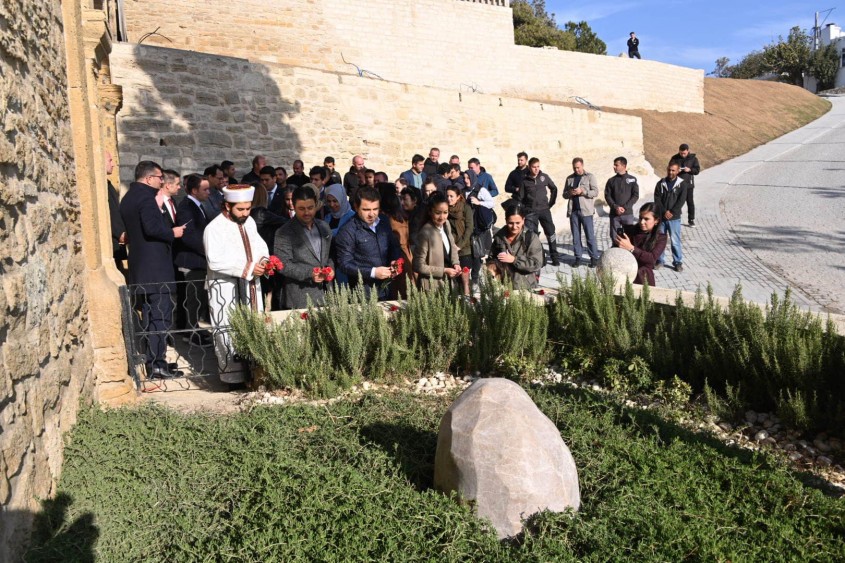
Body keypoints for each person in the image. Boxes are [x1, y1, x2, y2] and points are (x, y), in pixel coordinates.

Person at [119, 161, 186, 379]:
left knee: (151, 316)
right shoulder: (146, 198)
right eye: (159, 177)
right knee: (160, 317)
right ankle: (157, 364)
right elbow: (152, 228)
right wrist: (172, 232)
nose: (161, 181)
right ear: (148, 178)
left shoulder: (129, 197)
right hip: (155, 268)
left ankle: (155, 361)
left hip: (142, 266)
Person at [204, 184, 269, 384]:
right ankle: (232, 379)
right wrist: (248, 268)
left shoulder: (249, 222)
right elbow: (214, 259)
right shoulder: (213, 228)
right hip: (225, 289)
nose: (245, 213)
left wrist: (263, 262)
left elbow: (261, 246)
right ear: (226, 206)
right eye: (240, 209)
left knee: (253, 326)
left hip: (250, 286)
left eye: (248, 208)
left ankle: (255, 374)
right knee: (227, 330)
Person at [334, 186, 403, 299]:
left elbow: (394, 246)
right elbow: (344, 264)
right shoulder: (348, 231)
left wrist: (395, 261)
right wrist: (373, 272)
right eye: (366, 210)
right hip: (362, 294)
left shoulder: (384, 221)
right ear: (356, 207)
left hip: (387, 288)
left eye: (375, 209)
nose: (372, 214)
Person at [274, 186, 334, 310]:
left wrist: (331, 269)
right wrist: (309, 274)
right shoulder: (284, 232)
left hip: (327, 295)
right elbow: (283, 264)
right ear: (293, 206)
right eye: (301, 209)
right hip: (300, 298)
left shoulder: (324, 227)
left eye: (310, 208)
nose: (307, 212)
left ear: (316, 205)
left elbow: (329, 256)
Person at [174, 174, 212, 347]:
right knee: (193, 299)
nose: (209, 192)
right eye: (205, 189)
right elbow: (189, 236)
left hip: (198, 260)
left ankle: (194, 328)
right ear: (194, 190)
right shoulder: (186, 207)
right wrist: (207, 251)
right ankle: (191, 333)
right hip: (192, 260)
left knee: (198, 298)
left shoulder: (197, 205)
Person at [487, 203, 544, 290]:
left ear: (523, 220)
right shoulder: (499, 237)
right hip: (504, 286)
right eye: (511, 223)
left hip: (526, 287)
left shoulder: (531, 238)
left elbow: (536, 264)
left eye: (518, 223)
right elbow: (491, 257)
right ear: (506, 221)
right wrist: (492, 266)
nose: (514, 227)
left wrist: (514, 260)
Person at [515, 157, 560, 266]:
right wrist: (524, 210)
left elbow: (554, 189)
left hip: (544, 210)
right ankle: (539, 258)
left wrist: (551, 203)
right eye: (534, 167)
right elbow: (520, 198)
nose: (536, 169)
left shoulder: (544, 177)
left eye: (538, 167)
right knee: (533, 236)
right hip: (531, 212)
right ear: (529, 167)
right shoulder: (525, 181)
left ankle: (554, 256)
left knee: (551, 233)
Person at [413, 192, 462, 291]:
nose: (442, 217)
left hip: (448, 284)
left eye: (445, 212)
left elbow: (452, 245)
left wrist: (456, 263)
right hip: (431, 287)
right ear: (430, 212)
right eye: (438, 213)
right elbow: (418, 265)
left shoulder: (446, 224)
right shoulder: (425, 233)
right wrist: (443, 271)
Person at [613, 202, 667, 286]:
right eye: (640, 218)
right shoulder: (629, 230)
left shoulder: (661, 238)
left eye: (646, 219)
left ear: (656, 221)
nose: (642, 222)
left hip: (643, 279)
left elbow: (651, 259)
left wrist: (631, 248)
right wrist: (618, 244)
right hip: (623, 276)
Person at [563, 157, 599, 268]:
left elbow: (596, 192)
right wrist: (570, 193)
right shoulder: (569, 178)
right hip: (573, 211)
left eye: (578, 167)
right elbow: (564, 195)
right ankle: (578, 257)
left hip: (586, 211)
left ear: (582, 165)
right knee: (576, 236)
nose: (576, 170)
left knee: (590, 235)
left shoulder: (589, 177)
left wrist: (583, 191)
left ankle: (594, 258)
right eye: (574, 168)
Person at [654, 163, 688, 272]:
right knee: (659, 240)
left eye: (673, 170)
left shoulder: (682, 184)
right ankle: (660, 260)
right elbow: (657, 199)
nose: (670, 172)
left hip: (674, 218)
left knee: (675, 241)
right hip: (661, 218)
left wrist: (672, 212)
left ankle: (677, 262)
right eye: (669, 170)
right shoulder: (660, 183)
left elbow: (681, 200)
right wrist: (664, 212)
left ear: (678, 171)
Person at [446, 185, 473, 295]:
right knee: (454, 279)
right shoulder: (445, 210)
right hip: (451, 248)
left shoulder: (465, 208)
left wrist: (460, 245)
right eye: (447, 196)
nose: (449, 199)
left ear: (458, 197)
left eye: (451, 196)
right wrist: (453, 246)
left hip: (464, 249)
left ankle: (467, 301)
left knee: (465, 279)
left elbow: (469, 227)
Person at [604, 156, 639, 239]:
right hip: (614, 214)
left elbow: (635, 195)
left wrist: (624, 207)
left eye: (616, 165)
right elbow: (607, 195)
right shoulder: (611, 181)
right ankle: (615, 251)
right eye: (614, 165)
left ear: (624, 166)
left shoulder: (632, 179)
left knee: (629, 236)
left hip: (627, 213)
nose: (614, 167)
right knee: (614, 236)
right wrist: (616, 207)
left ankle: (627, 252)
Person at [105, 151, 127, 280]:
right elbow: (112, 212)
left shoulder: (108, 184)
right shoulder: (103, 186)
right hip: (113, 240)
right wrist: (120, 234)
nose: (113, 164)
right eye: (110, 161)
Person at [669, 143, 701, 227]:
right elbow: (670, 168)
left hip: (688, 184)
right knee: (676, 201)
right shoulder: (674, 158)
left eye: (684, 153)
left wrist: (690, 170)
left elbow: (697, 170)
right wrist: (676, 170)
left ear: (688, 151)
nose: (683, 155)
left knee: (690, 202)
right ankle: (675, 217)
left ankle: (691, 219)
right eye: (681, 153)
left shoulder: (693, 158)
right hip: (677, 184)